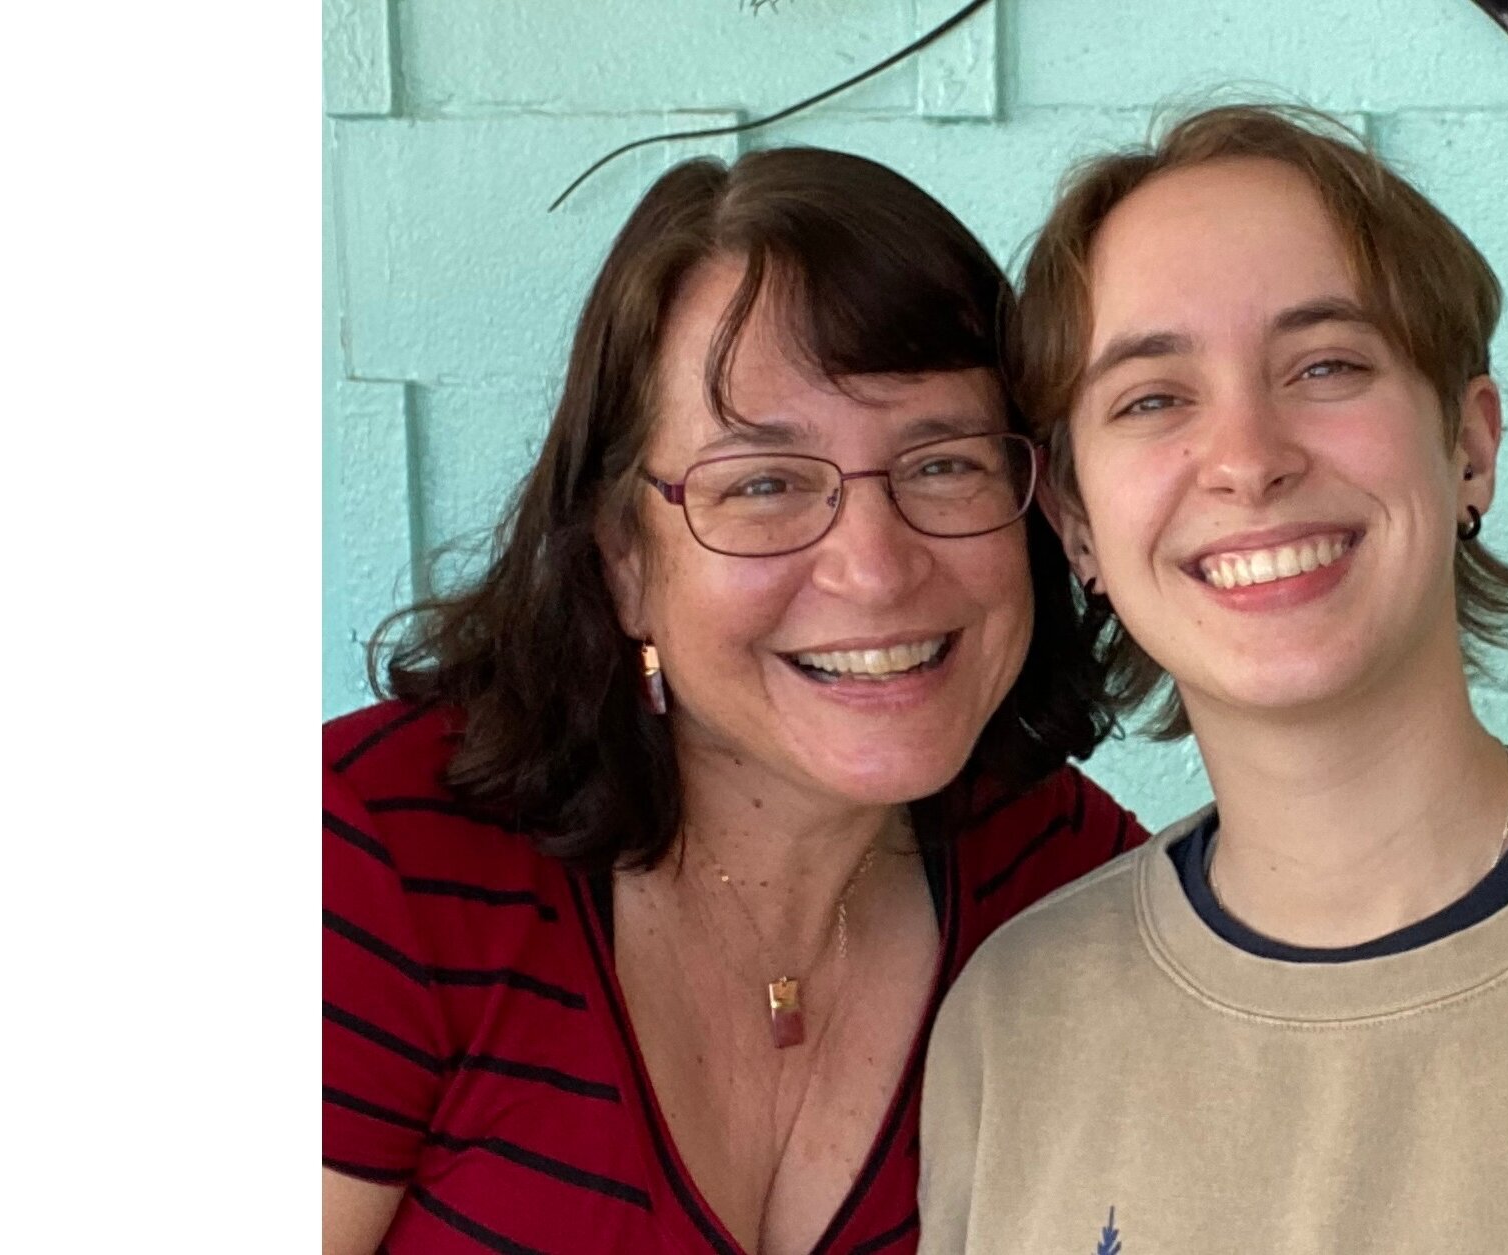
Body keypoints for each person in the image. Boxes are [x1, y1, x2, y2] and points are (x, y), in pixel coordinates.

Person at [323, 146, 1150, 1255]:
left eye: (943, 463)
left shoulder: (1056, 876)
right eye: (761, 483)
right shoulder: (371, 858)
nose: (874, 566)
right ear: (622, 557)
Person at [919, 104, 1508, 1253]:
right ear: (1075, 524)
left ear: (1469, 446)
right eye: (1152, 398)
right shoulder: (1012, 1022)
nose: (1249, 458)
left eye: (1324, 365)